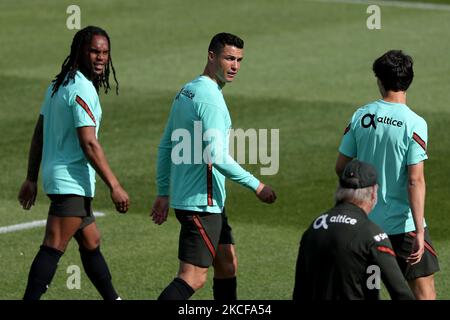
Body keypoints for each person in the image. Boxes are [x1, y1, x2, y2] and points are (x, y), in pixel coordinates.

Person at [151, 32, 277, 300]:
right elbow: (216, 156)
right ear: (211, 56)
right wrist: (257, 185)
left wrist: (163, 192)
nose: (235, 66)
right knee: (192, 278)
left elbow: (165, 145)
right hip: (201, 203)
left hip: (201, 200)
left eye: (239, 60)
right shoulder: (210, 100)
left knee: (227, 264)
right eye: (228, 58)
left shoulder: (188, 90)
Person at [17, 26, 129, 300]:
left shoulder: (58, 85)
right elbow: (89, 143)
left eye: (104, 52)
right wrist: (114, 185)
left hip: (64, 179)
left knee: (91, 242)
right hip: (71, 182)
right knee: (53, 246)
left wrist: (32, 178)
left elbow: (38, 134)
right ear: (81, 51)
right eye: (94, 51)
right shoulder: (80, 89)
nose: (100, 57)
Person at [335, 50, 439, 299]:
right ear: (409, 81)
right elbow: (415, 180)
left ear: (379, 80)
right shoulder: (415, 123)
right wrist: (420, 232)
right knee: (423, 294)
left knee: (366, 291)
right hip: (404, 227)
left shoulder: (361, 116)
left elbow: (341, 167)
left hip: (364, 224)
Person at [293, 160, 415, 300]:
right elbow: (401, 294)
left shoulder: (314, 228)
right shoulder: (372, 234)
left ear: (340, 189)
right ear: (373, 193)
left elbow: (300, 292)